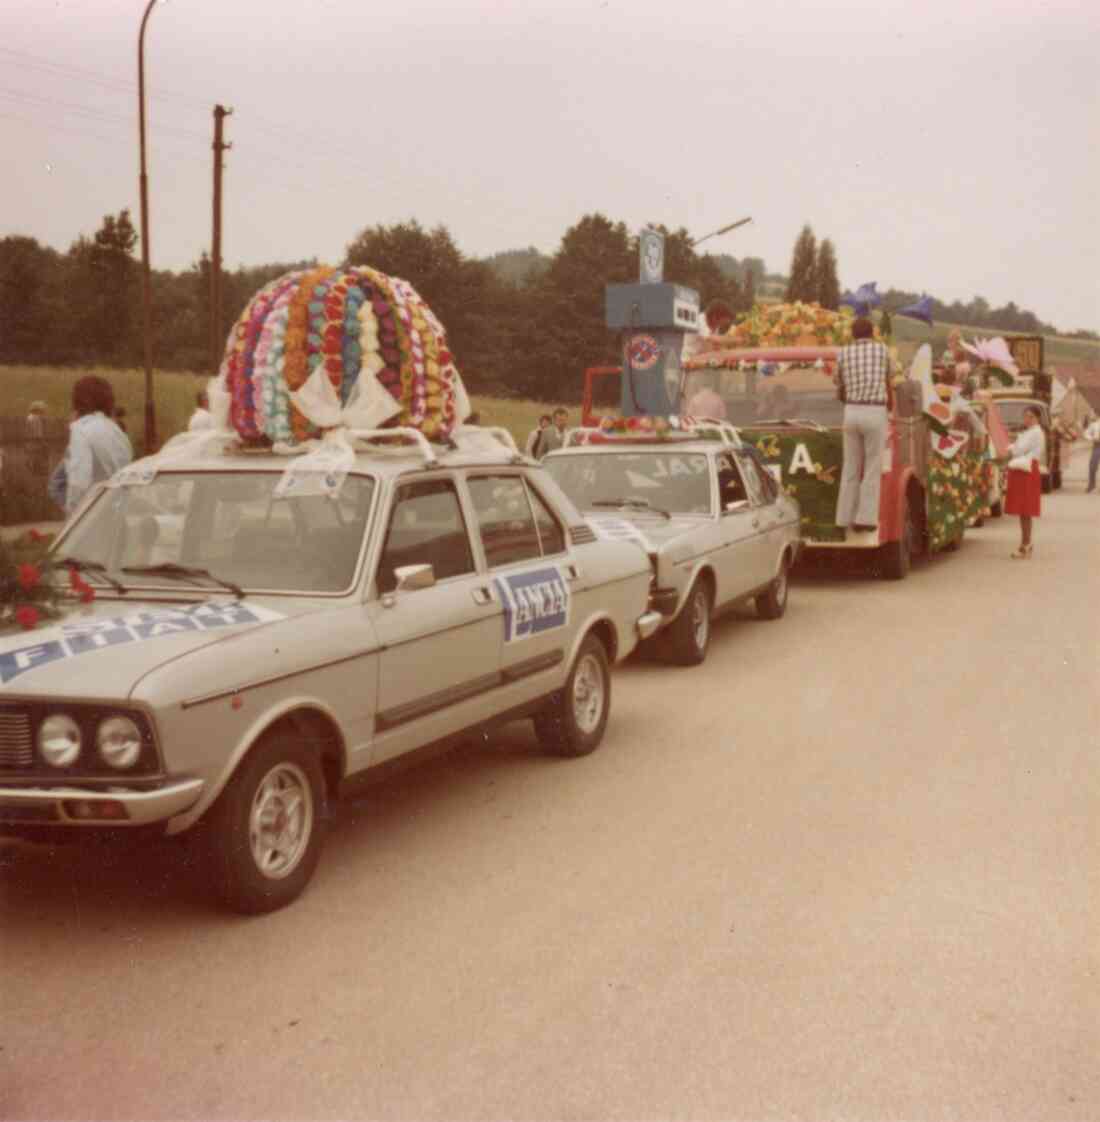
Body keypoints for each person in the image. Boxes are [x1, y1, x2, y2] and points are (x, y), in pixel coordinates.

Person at [834, 317, 894, 533]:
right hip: (875, 410)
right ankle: (865, 519)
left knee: (850, 467)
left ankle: (843, 518)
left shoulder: (843, 353)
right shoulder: (883, 350)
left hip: (851, 411)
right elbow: (889, 379)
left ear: (853, 334)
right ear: (872, 333)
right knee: (871, 467)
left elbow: (838, 383)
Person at [60, 375, 133, 515]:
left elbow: (79, 483)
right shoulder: (117, 432)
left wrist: (73, 515)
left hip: (92, 514)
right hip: (118, 511)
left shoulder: (81, 430)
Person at [1002, 405, 1045, 558]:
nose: (1027, 419)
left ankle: (1025, 544)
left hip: (1027, 469)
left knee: (1025, 510)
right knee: (1023, 511)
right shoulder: (1029, 432)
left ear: (1037, 418)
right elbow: (1019, 448)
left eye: (1030, 416)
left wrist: (1009, 447)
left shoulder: (1035, 432)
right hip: (1024, 468)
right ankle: (1026, 544)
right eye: (1025, 416)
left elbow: (1019, 450)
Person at [1084, 413, 1100, 494]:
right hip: (1097, 445)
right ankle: (1092, 484)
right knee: (1093, 465)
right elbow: (1086, 434)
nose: (1092, 416)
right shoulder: (1094, 425)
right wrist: (1093, 438)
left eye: (1093, 414)